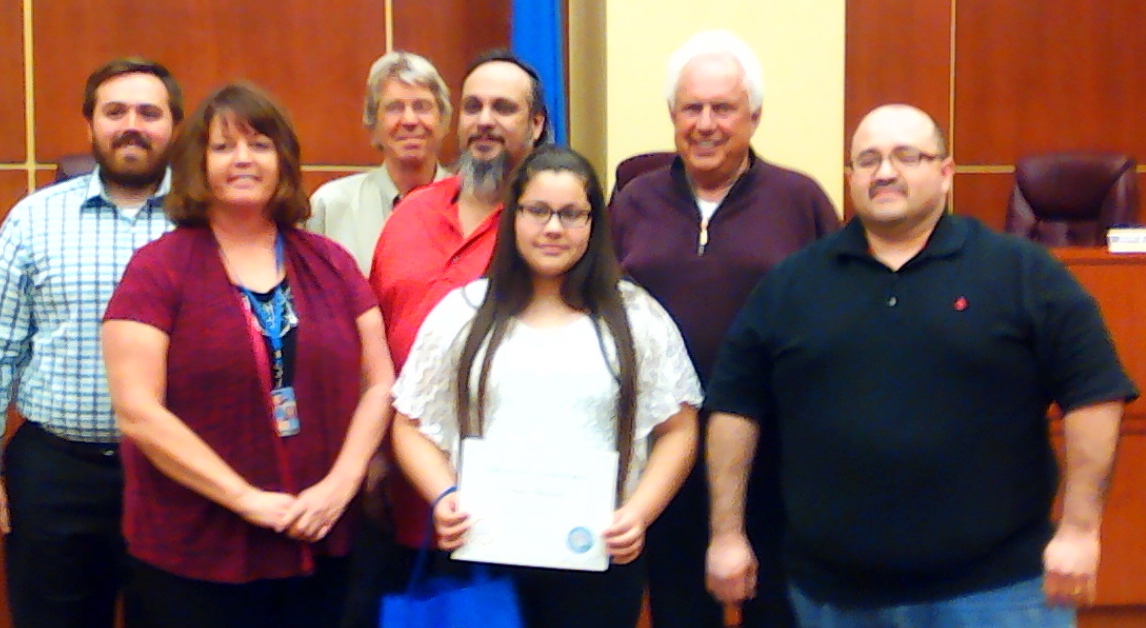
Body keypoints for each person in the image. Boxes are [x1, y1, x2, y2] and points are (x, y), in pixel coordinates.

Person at [704, 103, 1137, 628]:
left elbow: (1093, 392)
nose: (884, 172)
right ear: (850, 178)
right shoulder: (791, 284)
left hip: (996, 592)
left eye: (907, 156)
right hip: (834, 597)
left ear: (945, 172)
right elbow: (734, 406)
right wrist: (726, 534)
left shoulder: (1021, 272)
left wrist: (1079, 530)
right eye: (868, 160)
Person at [100, 82, 394, 628]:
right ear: (197, 163)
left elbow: (380, 382)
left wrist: (341, 484)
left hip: (323, 538)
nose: (243, 159)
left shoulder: (330, 261)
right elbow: (137, 411)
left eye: (260, 144)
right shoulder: (157, 269)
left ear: (282, 160)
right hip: (195, 553)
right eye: (223, 146)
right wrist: (246, 499)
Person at [391, 145, 702, 627]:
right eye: (537, 211)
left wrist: (639, 513)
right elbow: (408, 422)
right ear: (512, 218)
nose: (553, 228)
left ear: (594, 223)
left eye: (571, 214)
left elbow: (679, 428)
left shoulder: (637, 318)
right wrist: (443, 494)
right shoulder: (463, 313)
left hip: (596, 561)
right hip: (485, 557)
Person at [610, 30, 838, 628]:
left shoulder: (801, 199)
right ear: (672, 115)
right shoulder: (633, 202)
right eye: (692, 108)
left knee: (780, 612)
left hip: (776, 454)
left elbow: (839, 313)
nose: (706, 123)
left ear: (754, 117)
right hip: (665, 453)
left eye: (723, 108)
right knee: (680, 610)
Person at [0, 57, 182, 628]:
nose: (132, 124)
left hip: (178, 474)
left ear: (175, 127)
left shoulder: (207, 219)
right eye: (115, 111)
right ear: (90, 126)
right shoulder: (34, 219)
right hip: (58, 475)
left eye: (149, 113)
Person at [356, 49, 548, 626]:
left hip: (510, 504)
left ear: (536, 124)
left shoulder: (549, 225)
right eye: (474, 107)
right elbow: (374, 344)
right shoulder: (411, 214)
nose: (485, 120)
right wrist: (370, 454)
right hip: (402, 497)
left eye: (504, 108)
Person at [306, 51, 452, 275]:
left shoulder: (470, 203)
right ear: (373, 124)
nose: (410, 120)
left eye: (422, 106)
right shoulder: (330, 207)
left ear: (443, 121)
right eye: (395, 107)